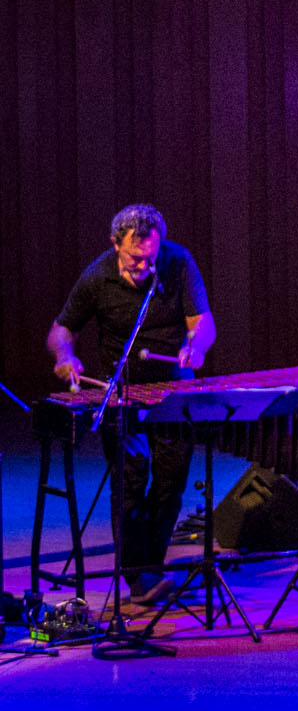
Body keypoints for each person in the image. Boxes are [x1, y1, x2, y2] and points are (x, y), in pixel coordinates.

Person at [46, 204, 216, 605]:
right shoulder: (98, 275)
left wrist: (196, 347)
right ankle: (138, 578)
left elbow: (201, 322)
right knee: (130, 479)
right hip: (121, 394)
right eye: (134, 257)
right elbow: (61, 330)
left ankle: (148, 568)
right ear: (115, 244)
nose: (143, 265)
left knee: (171, 481)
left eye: (149, 258)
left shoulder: (177, 262)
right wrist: (64, 357)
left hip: (172, 393)